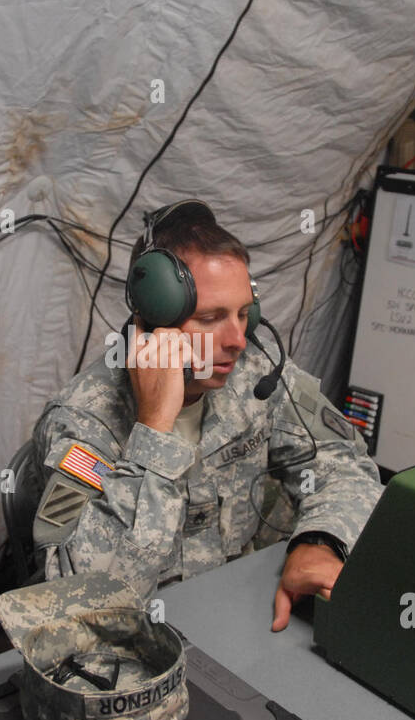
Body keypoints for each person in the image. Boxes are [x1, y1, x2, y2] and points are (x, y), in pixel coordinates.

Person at [31, 200, 382, 630]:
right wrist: (154, 428)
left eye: (243, 314)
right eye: (211, 318)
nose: (237, 339)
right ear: (152, 320)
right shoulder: (85, 418)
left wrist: (320, 541)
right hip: (144, 644)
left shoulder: (255, 370)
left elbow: (344, 461)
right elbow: (82, 602)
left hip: (241, 613)